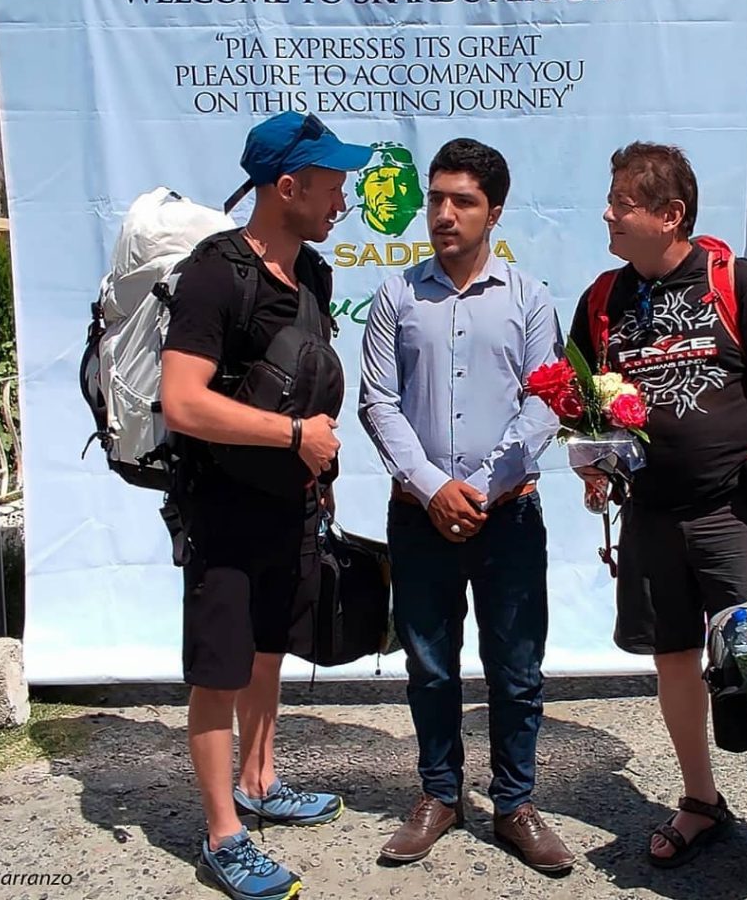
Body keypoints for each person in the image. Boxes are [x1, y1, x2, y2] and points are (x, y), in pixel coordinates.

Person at [569, 142, 747, 900]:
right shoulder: (603, 298)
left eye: (622, 201)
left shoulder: (738, 282)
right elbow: (587, 404)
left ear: (670, 214)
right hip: (650, 519)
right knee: (674, 663)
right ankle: (700, 802)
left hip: (735, 514)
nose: (608, 212)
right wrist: (594, 462)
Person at [160, 111, 372, 900]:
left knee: (268, 649)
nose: (341, 198)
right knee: (219, 669)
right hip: (222, 511)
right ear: (288, 187)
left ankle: (259, 778)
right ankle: (223, 833)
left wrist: (310, 463)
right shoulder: (217, 273)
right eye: (331, 182)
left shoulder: (310, 275)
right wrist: (292, 436)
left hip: (291, 507)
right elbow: (181, 402)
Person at [358, 138, 575, 873]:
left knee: (516, 670)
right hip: (418, 517)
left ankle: (515, 805)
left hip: (507, 516)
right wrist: (431, 486)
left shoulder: (530, 298)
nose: (443, 214)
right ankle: (439, 795)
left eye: (463, 201)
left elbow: (545, 406)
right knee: (429, 665)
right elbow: (378, 403)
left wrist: (477, 489)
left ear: (495, 212)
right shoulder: (396, 296)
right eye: (436, 198)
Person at [356, 142, 425, 235]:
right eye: (380, 181)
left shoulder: (432, 226)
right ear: (361, 188)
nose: (391, 194)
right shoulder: (338, 231)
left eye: (402, 182)